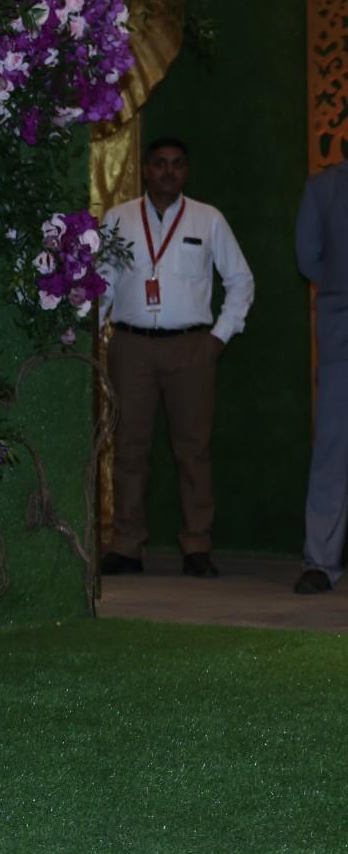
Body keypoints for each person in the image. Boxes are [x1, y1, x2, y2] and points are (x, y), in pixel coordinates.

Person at [98, 137, 254, 579]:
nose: (168, 171)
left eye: (177, 164)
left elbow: (241, 281)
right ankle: (126, 545)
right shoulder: (118, 219)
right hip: (130, 347)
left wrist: (218, 338)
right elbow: (101, 286)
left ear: (186, 172)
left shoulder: (209, 219)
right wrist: (95, 341)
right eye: (160, 163)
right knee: (129, 447)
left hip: (192, 348)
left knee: (193, 450)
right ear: (145, 169)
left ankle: (197, 546)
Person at [295, 158, 348, 594]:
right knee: (333, 446)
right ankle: (321, 562)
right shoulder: (324, 186)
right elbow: (308, 257)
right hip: (342, 332)